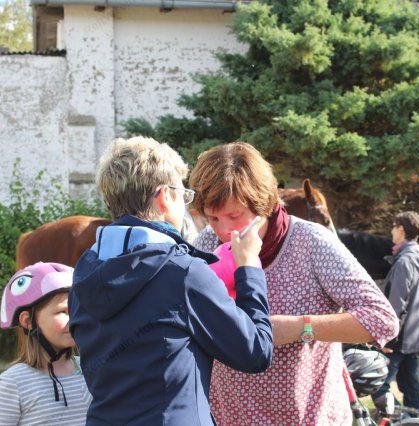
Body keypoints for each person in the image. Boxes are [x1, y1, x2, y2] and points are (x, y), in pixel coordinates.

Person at [189, 142, 399, 425]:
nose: (224, 230)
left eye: (234, 215)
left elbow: (382, 319)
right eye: (213, 218)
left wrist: (301, 328)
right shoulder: (206, 243)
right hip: (228, 417)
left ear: (262, 204)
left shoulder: (311, 242)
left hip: (308, 417)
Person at [68, 136, 273, 425]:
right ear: (165, 196)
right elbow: (256, 351)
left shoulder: (84, 270)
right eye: (183, 194)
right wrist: (249, 267)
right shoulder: (184, 272)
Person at [0, 262, 91, 425]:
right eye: (63, 312)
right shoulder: (13, 384)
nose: (75, 319)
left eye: (77, 310)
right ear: (28, 321)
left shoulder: (91, 369)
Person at [371, 211, 419, 412]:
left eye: (393, 227)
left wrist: (386, 339)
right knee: (411, 389)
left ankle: (402, 421)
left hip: (398, 340)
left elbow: (397, 305)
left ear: (402, 230)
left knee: (377, 386)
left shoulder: (405, 262)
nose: (391, 232)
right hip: (414, 337)